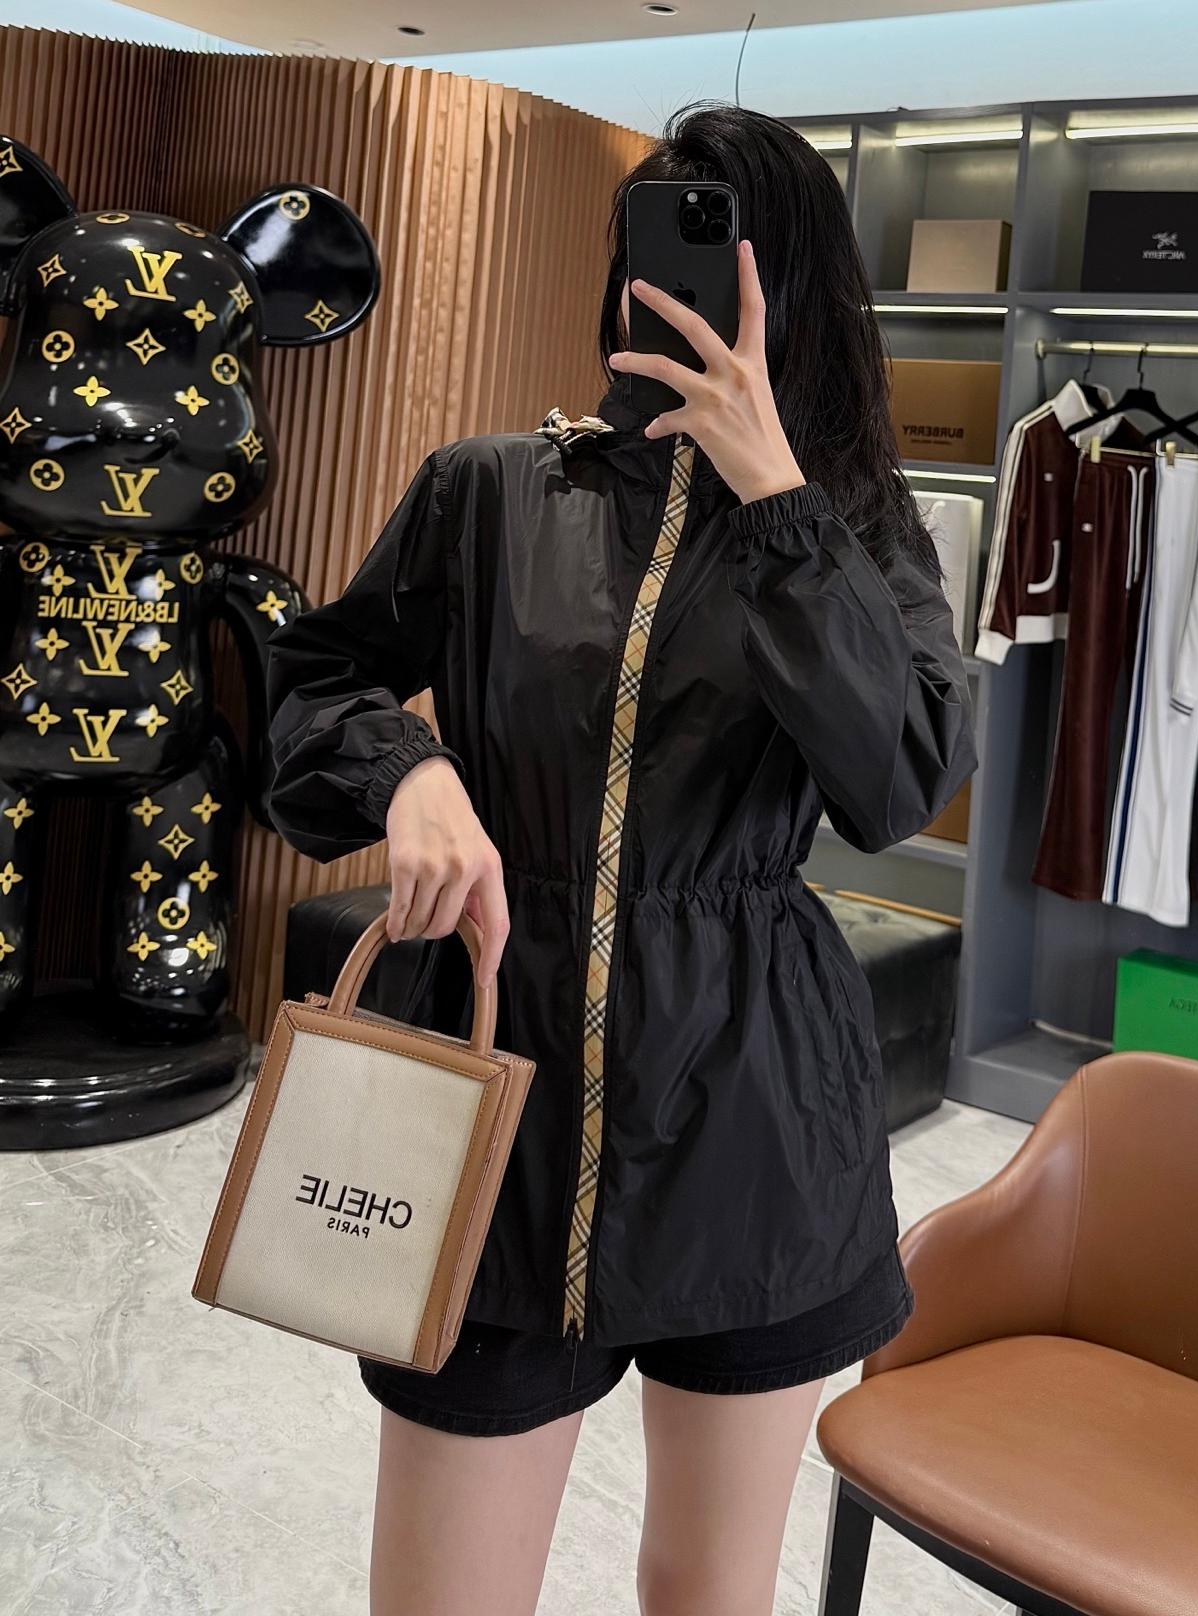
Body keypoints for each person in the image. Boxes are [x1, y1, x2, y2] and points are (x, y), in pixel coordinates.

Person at [264, 100, 977, 1616]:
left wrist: (780, 504)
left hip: (755, 1118)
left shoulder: (854, 535)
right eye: (656, 244)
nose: (680, 288)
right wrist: (407, 769)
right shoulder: (491, 491)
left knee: (709, 1593)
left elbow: (899, 782)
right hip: (495, 1099)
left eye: (723, 253)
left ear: (794, 288)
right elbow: (305, 684)